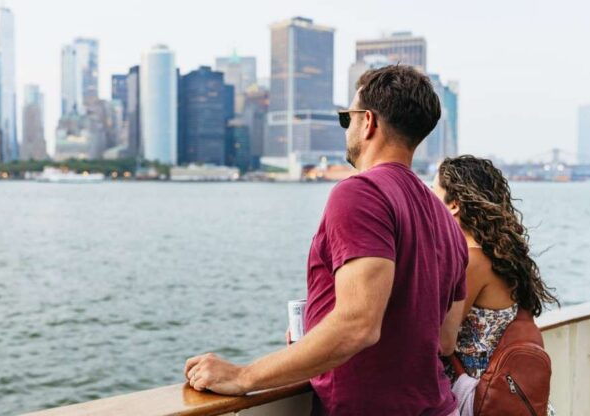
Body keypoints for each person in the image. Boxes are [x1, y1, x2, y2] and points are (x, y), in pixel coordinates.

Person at [184, 65, 468, 416]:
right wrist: (317, 339)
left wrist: (244, 376)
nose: (346, 129)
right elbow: (444, 339)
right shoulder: (447, 221)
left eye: (345, 119)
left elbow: (358, 325)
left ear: (368, 122)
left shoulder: (361, 192)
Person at [434, 156, 558, 414]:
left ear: (454, 204)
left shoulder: (472, 260)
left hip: (477, 398)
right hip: (504, 393)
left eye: (434, 192)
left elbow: (443, 343)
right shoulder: (500, 254)